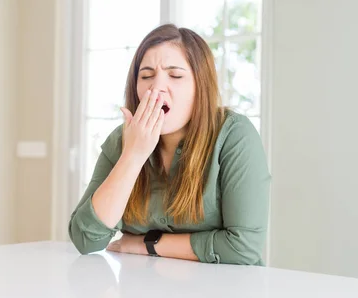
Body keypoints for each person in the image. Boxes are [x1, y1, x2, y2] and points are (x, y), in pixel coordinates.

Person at [68, 24, 271, 265]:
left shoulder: (234, 135)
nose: (156, 87)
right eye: (146, 76)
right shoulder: (122, 141)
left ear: (200, 86)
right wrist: (133, 155)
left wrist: (147, 245)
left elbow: (243, 247)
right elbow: (86, 239)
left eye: (175, 75)